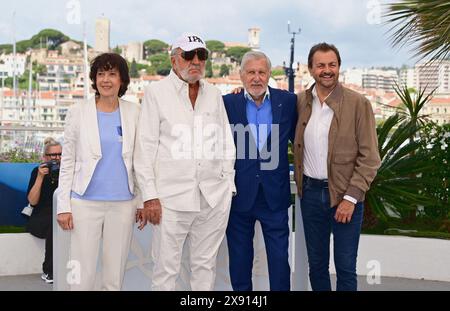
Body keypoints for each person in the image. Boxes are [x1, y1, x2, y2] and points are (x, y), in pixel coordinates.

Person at [134, 32, 236, 291]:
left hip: (213, 198)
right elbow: (144, 148)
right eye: (189, 55)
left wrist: (227, 187)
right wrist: (149, 196)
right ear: (174, 60)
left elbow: (226, 142)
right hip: (170, 199)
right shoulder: (156, 93)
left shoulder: (214, 94)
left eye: (201, 55)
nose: (196, 61)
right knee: (166, 269)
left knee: (205, 266)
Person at [293, 43, 381, 291]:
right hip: (310, 195)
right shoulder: (300, 102)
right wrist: (239, 93)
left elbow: (370, 157)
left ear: (339, 67)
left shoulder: (358, 104)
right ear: (310, 69)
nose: (327, 70)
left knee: (344, 267)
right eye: (320, 65)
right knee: (317, 266)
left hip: (345, 198)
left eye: (332, 64)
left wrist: (351, 198)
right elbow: (268, 106)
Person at [57, 53, 143, 291]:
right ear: (94, 79)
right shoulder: (78, 111)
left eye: (112, 74)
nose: (106, 79)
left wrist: (142, 201)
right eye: (101, 74)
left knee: (113, 278)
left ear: (122, 80)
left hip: (123, 204)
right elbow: (68, 162)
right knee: (81, 276)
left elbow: (141, 160)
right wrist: (64, 205)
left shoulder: (135, 113)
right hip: (85, 203)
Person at [223, 51, 297, 291]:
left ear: (269, 75)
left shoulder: (287, 102)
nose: (256, 78)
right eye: (251, 72)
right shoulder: (227, 104)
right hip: (239, 197)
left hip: (274, 197)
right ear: (241, 76)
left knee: (278, 261)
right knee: (240, 260)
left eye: (261, 72)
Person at [26, 137, 62, 284]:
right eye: (53, 155)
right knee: (54, 225)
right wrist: (40, 177)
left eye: (60, 154)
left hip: (62, 212)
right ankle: (49, 271)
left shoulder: (67, 171)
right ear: (45, 157)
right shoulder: (37, 171)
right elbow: (32, 201)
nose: (57, 158)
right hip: (41, 218)